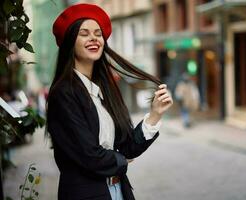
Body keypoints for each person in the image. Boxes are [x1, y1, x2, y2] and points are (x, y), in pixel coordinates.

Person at [46, 3, 173, 200]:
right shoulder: (63, 93)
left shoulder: (103, 91)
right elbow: (89, 155)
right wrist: (121, 159)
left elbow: (127, 146)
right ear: (71, 41)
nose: (94, 38)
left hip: (118, 191)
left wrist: (155, 114)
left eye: (98, 33)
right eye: (84, 33)